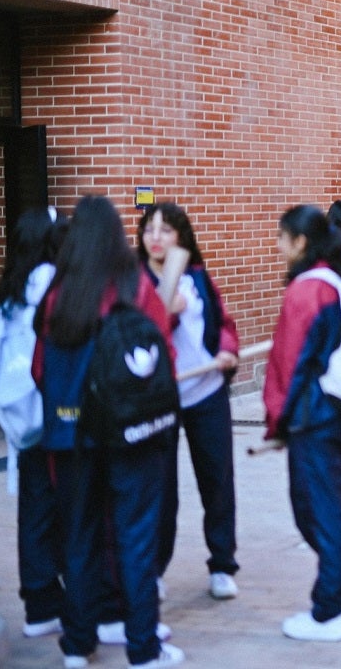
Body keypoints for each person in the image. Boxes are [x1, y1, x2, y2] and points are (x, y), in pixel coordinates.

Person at [33, 195, 183, 668]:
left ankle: (77, 645)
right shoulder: (134, 286)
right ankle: (143, 648)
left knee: (78, 540)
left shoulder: (58, 293)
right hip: (129, 435)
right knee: (134, 539)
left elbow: (40, 369)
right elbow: (163, 360)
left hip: (69, 437)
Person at [264, 205, 341, 642]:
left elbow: (289, 363)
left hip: (315, 418)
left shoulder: (305, 291)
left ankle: (329, 608)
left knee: (318, 510)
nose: (278, 245)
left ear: (301, 242)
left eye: (283, 237)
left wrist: (277, 422)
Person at [138, 203, 241, 603]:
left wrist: (228, 351)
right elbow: (137, 338)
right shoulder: (136, 281)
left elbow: (223, 325)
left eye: (166, 230)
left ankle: (222, 564)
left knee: (216, 479)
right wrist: (167, 312)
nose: (157, 237)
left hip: (206, 390)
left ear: (181, 236)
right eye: (150, 229)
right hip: (159, 397)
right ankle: (154, 569)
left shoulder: (196, 277)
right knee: (160, 487)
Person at [0, 208, 65, 638]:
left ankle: (38, 606)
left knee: (33, 514)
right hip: (55, 417)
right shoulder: (56, 286)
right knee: (70, 510)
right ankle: (77, 597)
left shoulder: (8, 293)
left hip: (22, 424)